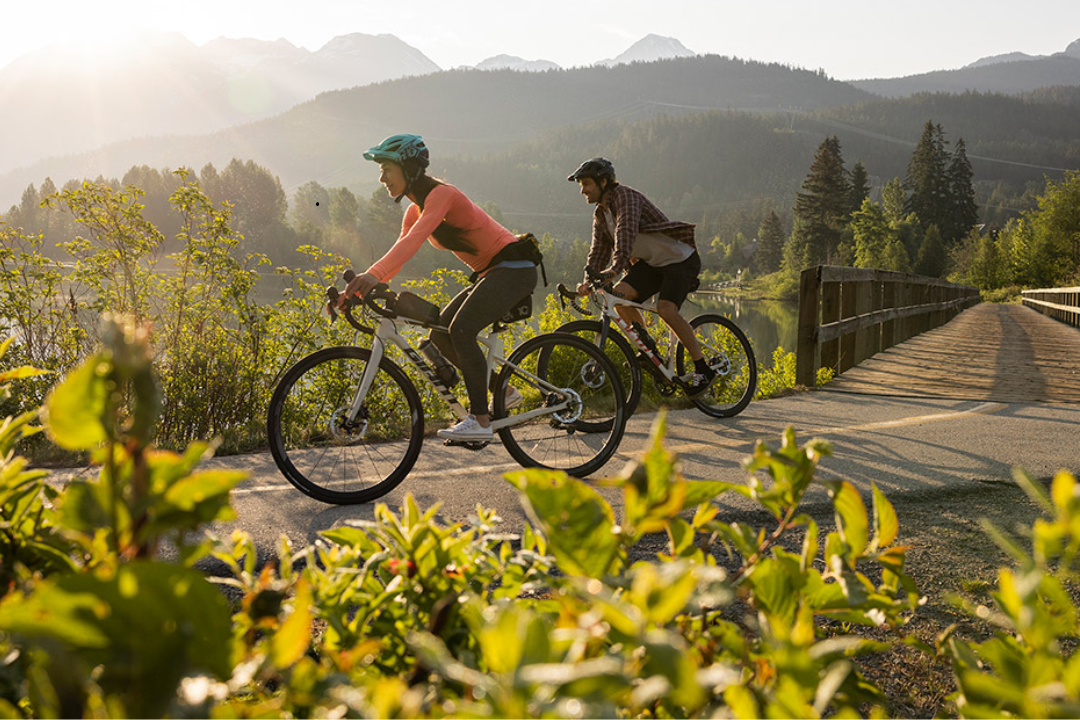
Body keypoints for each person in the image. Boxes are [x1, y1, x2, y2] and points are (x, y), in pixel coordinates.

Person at [340, 134, 538, 441]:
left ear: (408, 168)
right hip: (491, 273)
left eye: (386, 169)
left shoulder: (441, 195)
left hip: (513, 270)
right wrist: (360, 285)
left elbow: (415, 240)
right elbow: (401, 251)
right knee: (441, 334)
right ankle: (505, 391)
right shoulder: (413, 210)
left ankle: (481, 421)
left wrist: (371, 275)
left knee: (461, 330)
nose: (381, 178)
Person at [568, 157, 715, 397]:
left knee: (666, 309)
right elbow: (598, 250)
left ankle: (703, 369)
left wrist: (613, 270)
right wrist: (588, 279)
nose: (582, 190)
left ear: (603, 182)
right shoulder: (600, 214)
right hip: (652, 264)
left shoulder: (625, 197)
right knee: (617, 297)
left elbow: (625, 233)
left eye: (586, 184)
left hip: (680, 259)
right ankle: (650, 351)